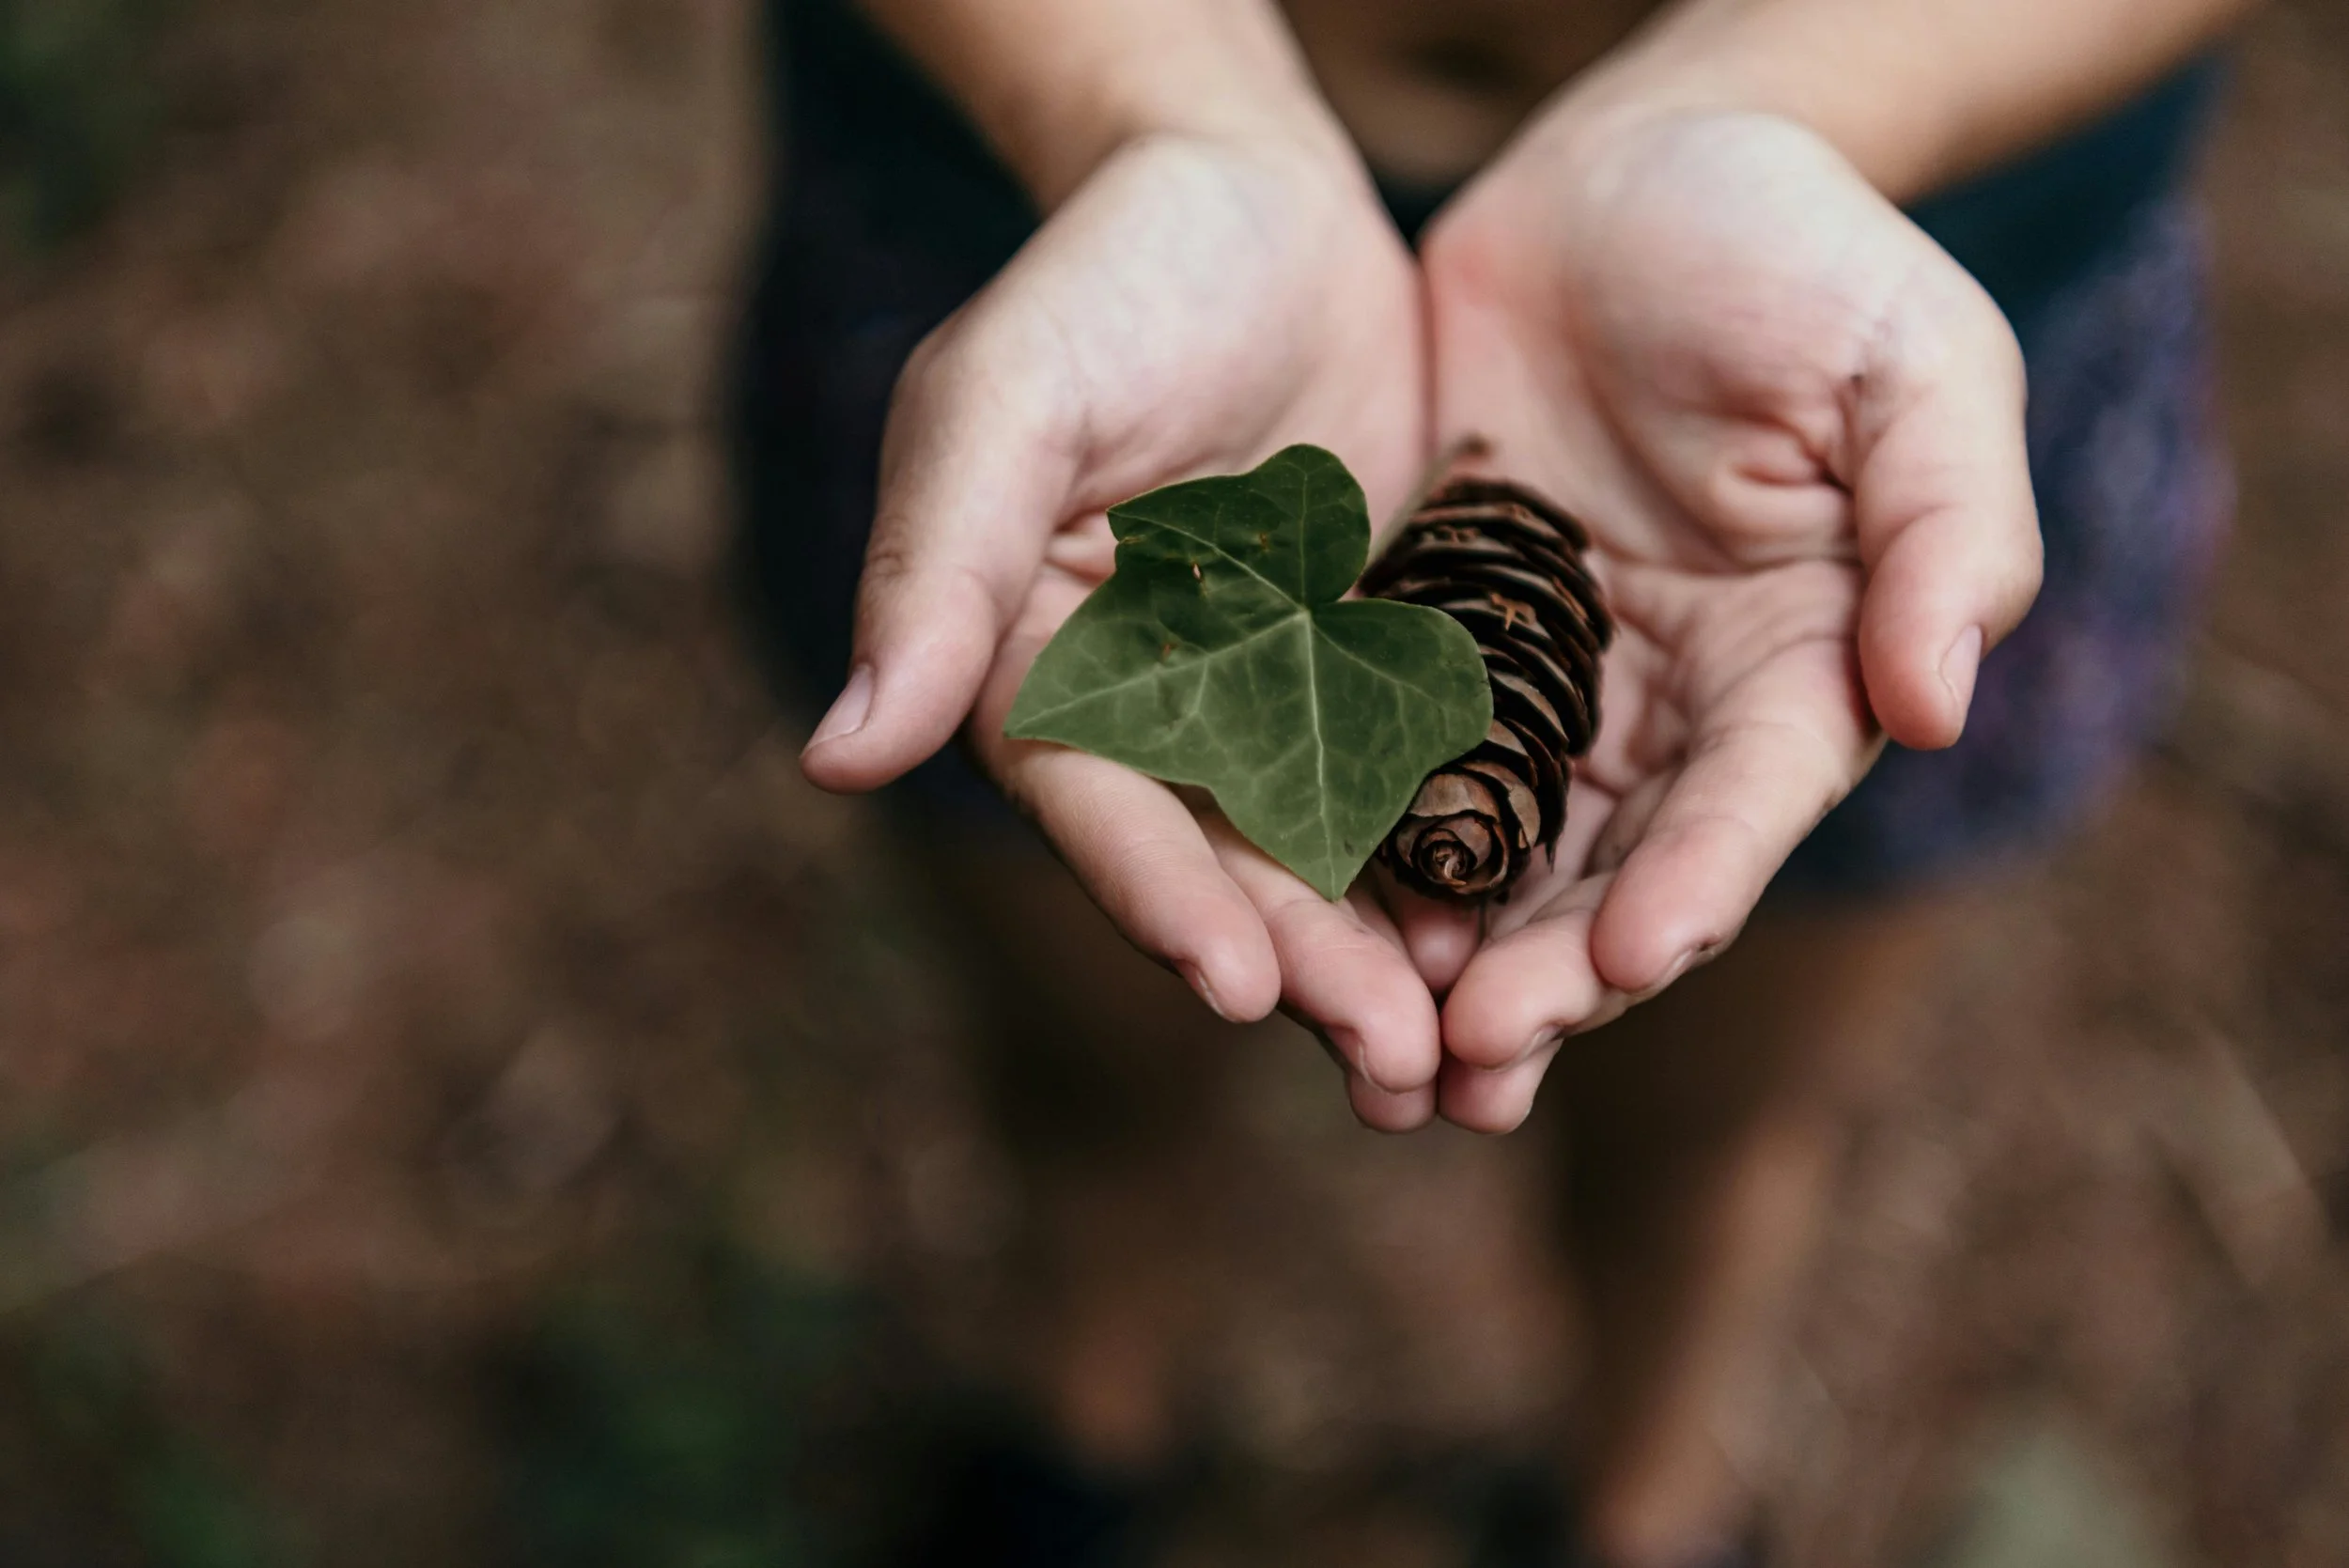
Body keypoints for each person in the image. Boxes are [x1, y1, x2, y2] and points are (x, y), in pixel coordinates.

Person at [735, 1, 2251, 1562]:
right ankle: (1092, 1411)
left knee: (1720, 1121)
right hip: (1052, 203)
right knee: (1080, 1049)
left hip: (1841, 295)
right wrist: (1146, 105)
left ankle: (1641, 1500)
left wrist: (1795, 104)